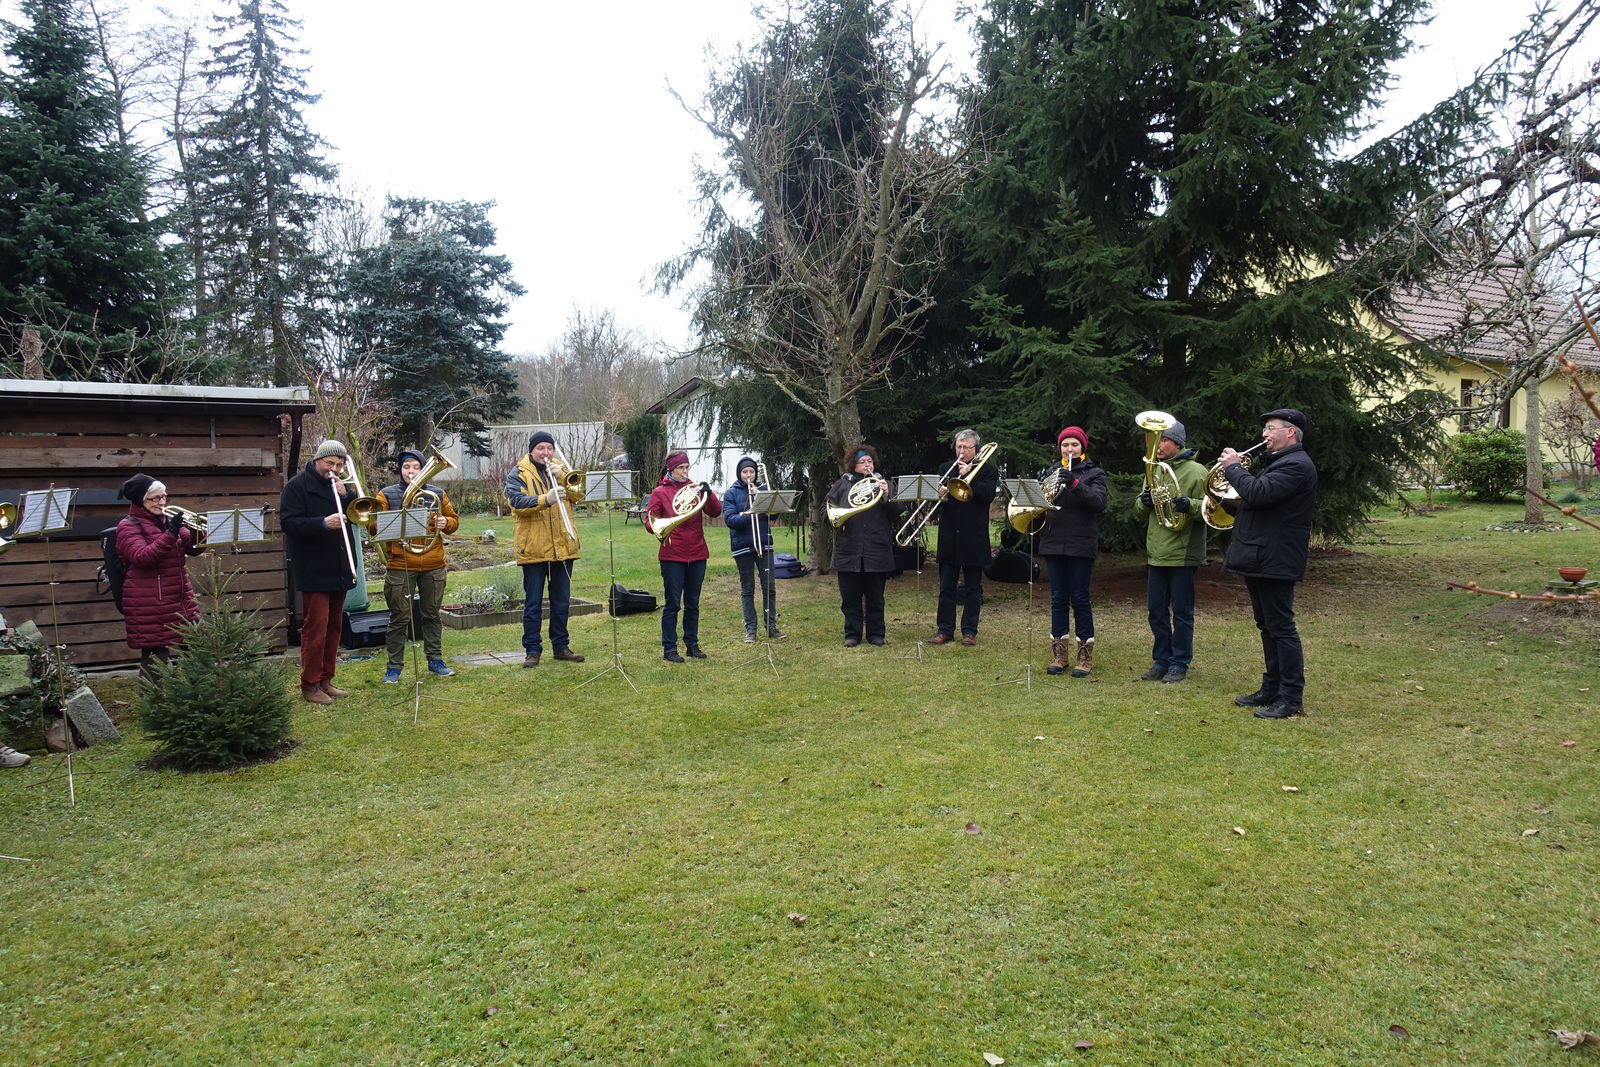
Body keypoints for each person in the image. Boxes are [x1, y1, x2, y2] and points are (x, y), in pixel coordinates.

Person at [1218, 408, 1318, 720]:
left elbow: (1259, 494)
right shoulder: (1278, 463)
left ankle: (1290, 697)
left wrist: (1234, 468)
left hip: (1276, 558)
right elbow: (1258, 506)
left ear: (1290, 432)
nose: (1264, 435)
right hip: (1261, 555)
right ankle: (1272, 687)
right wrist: (1224, 500)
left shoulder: (1296, 465)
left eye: (1270, 428)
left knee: (1282, 628)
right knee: (1267, 626)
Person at [279, 440, 359, 705]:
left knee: (335, 627)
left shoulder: (339, 487)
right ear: (317, 461)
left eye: (339, 464)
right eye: (330, 464)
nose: (334, 469)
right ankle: (309, 683)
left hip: (339, 566)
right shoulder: (297, 486)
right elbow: (288, 523)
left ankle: (326, 679)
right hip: (314, 568)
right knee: (316, 628)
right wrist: (322, 524)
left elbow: (360, 515)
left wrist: (347, 495)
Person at [1133, 420, 1208, 684]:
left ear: (1177, 443)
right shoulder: (1153, 470)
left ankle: (1179, 663)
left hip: (1183, 552)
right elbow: (1140, 509)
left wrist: (1190, 505)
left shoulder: (1197, 472)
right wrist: (1143, 503)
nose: (1157, 445)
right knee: (1156, 611)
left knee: (1182, 612)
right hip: (1157, 552)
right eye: (1155, 439)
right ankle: (1161, 659)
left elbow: (1214, 510)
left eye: (1162, 440)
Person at [378, 450, 460, 683]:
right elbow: (374, 526)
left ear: (423, 469)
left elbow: (453, 523)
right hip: (400, 564)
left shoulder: (437, 493)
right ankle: (394, 667)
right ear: (400, 470)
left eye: (415, 467)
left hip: (433, 564)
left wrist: (446, 522)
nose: (411, 472)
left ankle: (435, 660)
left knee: (432, 614)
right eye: (406, 467)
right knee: (399, 617)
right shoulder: (387, 494)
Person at [115, 473, 206, 679]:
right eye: (155, 498)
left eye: (164, 497)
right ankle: (152, 705)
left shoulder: (166, 521)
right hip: (149, 601)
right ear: (140, 500)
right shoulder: (128, 526)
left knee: (197, 649)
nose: (162, 502)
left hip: (180, 597)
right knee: (155, 657)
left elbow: (192, 548)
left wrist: (198, 532)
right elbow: (142, 557)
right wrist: (170, 534)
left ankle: (200, 701)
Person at [505, 431, 584, 668]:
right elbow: (516, 502)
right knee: (533, 604)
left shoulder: (561, 469)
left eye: (549, 448)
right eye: (541, 448)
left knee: (561, 601)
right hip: (534, 548)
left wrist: (564, 478)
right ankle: (532, 650)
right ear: (532, 450)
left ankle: (561, 647)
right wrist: (545, 499)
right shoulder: (518, 472)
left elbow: (579, 496)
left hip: (562, 546)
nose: (546, 453)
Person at [1036, 426, 1108, 677]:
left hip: (1081, 544)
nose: (1069, 449)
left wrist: (1076, 483)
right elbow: (1042, 504)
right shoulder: (1051, 471)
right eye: (1065, 445)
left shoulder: (1095, 473)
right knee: (1057, 599)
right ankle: (1059, 655)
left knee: (1079, 598)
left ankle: (1085, 657)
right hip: (1054, 541)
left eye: (1074, 445)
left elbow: (1098, 503)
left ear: (1082, 447)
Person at [647, 451, 723, 661]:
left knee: (693, 603)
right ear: (671, 469)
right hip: (672, 555)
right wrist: (662, 527)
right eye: (681, 468)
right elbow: (650, 521)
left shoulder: (695, 489)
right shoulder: (659, 492)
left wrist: (709, 494)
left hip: (697, 553)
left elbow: (715, 512)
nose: (685, 472)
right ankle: (669, 648)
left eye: (687, 467)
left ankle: (692, 644)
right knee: (672, 604)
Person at [930, 429, 999, 647]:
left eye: (966, 447)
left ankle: (969, 631)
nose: (961, 451)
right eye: (958, 447)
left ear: (975, 449)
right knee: (946, 586)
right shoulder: (945, 468)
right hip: (949, 535)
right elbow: (936, 505)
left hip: (973, 536)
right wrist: (938, 495)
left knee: (973, 587)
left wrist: (971, 476)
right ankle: (945, 630)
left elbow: (988, 495)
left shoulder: (988, 470)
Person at [827, 445, 899, 647]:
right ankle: (852, 634)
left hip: (876, 548)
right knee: (850, 597)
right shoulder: (842, 485)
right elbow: (828, 513)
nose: (867, 465)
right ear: (853, 465)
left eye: (870, 461)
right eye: (862, 462)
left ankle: (876, 634)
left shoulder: (883, 483)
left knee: (876, 596)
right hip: (848, 549)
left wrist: (887, 496)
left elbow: (898, 511)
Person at [722, 456, 785, 643]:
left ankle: (771, 626)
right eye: (745, 472)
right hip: (743, 546)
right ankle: (751, 629)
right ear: (739, 473)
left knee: (769, 587)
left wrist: (760, 497)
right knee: (747, 588)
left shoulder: (763, 490)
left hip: (764, 544)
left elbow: (774, 516)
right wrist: (751, 514)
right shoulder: (731, 493)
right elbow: (730, 520)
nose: (749, 475)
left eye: (752, 472)